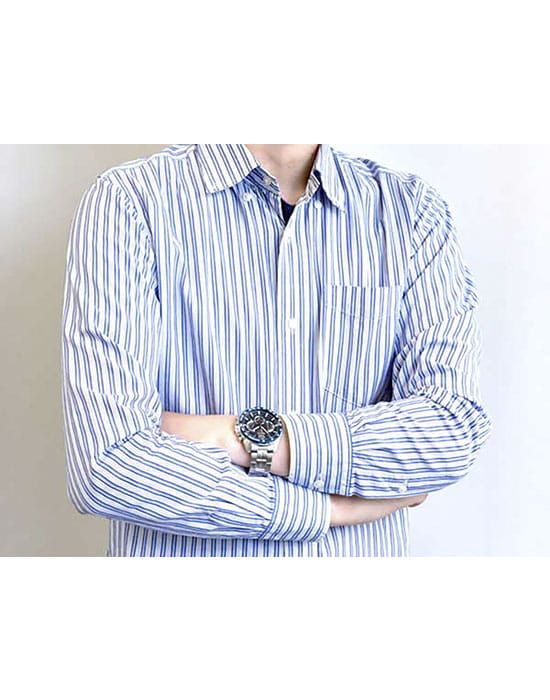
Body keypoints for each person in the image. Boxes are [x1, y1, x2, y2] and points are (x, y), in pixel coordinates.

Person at [61, 143, 491, 557]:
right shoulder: (129, 202)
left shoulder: (410, 212)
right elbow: (108, 465)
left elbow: (449, 432)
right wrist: (325, 510)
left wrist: (239, 436)